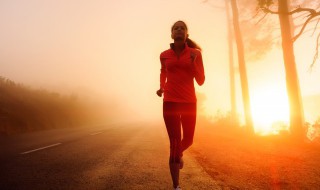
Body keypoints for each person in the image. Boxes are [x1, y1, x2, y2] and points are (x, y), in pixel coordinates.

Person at [156, 20, 205, 190]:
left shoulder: (195, 54)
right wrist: (161, 87)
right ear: (172, 34)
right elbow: (163, 72)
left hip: (189, 102)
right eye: (176, 28)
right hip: (170, 101)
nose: (179, 30)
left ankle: (179, 153)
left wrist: (192, 63)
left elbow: (201, 81)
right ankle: (176, 186)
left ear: (186, 34)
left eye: (182, 28)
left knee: (188, 139)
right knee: (175, 143)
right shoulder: (164, 54)